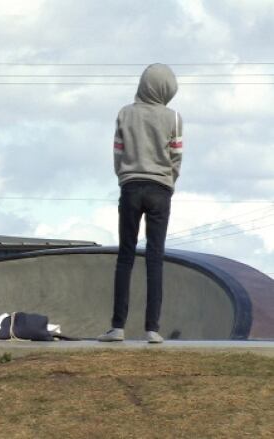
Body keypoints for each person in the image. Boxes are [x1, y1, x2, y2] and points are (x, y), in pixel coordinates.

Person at [98, 63, 183, 344]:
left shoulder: (125, 113)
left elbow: (118, 153)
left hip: (131, 187)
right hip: (160, 189)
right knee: (155, 257)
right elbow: (175, 157)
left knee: (125, 256)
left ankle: (117, 327)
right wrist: (169, 182)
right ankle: (152, 329)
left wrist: (124, 178)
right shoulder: (173, 118)